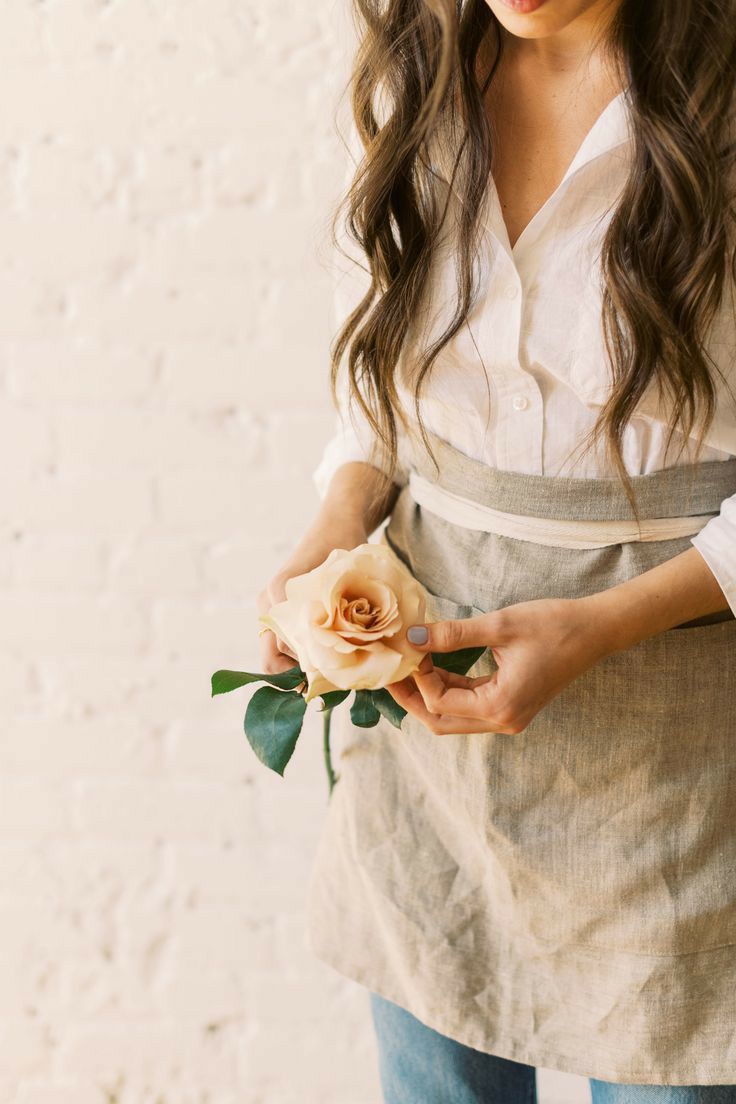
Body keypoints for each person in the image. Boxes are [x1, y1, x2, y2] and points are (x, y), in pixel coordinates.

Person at [257, 0, 736, 1100]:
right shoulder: (412, 75)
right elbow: (378, 380)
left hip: (677, 739)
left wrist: (604, 622)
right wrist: (338, 524)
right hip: (431, 740)